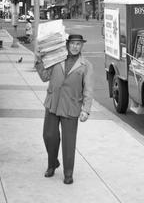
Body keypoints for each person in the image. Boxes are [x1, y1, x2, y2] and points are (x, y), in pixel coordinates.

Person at [34, 34, 93, 185]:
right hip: (53, 102)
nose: (75, 46)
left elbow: (88, 89)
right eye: (72, 43)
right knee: (49, 136)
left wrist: (86, 110)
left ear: (82, 46)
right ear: (67, 44)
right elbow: (45, 77)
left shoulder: (86, 65)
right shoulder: (56, 59)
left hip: (71, 106)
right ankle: (52, 163)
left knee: (69, 142)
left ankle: (68, 173)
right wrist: (39, 60)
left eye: (78, 44)